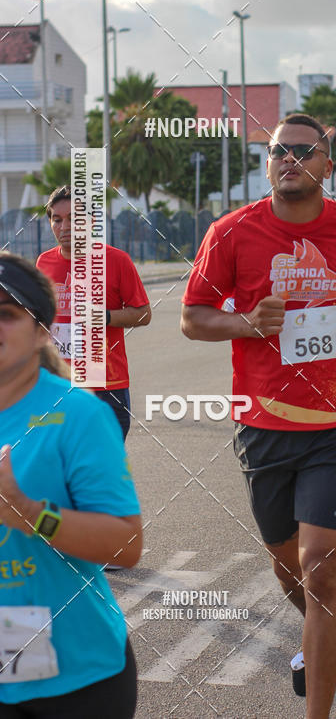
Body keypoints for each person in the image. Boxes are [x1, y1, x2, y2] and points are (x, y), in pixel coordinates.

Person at [181, 114, 336, 716]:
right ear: (267, 163)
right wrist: (245, 323)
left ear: (328, 164)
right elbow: (192, 317)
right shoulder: (232, 232)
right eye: (279, 150)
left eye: (304, 151)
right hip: (264, 427)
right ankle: (325, 623)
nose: (289, 159)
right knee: (290, 573)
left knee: (321, 569)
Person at [0, 252, 142, 718]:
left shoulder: (78, 414)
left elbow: (125, 546)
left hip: (78, 674)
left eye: (6, 313)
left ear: (42, 331)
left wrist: (30, 515)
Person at [36, 186, 152, 439]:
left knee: (101, 461)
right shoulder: (43, 262)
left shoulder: (117, 261)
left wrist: (103, 316)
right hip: (57, 383)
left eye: (74, 218)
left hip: (106, 386)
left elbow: (143, 314)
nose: (65, 227)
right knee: (55, 460)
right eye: (57, 219)